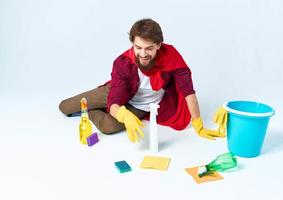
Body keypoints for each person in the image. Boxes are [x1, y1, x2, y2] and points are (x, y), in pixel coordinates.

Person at [59, 18, 223, 143]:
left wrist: (198, 124)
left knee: (108, 127)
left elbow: (188, 92)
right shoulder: (122, 63)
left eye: (149, 48)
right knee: (65, 107)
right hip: (118, 93)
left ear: (159, 45)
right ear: (132, 44)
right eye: (138, 47)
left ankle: (92, 110)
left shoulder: (171, 55)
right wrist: (121, 114)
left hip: (140, 105)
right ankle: (97, 104)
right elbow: (115, 100)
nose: (143, 54)